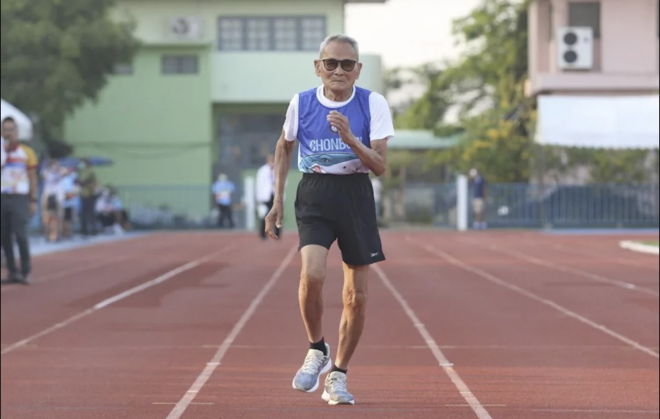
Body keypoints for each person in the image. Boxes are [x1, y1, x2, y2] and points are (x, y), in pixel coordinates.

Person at [264, 34, 395, 406]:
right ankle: (316, 348)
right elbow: (284, 145)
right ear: (318, 67)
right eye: (331, 63)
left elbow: (381, 166)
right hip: (315, 192)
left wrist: (352, 139)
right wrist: (277, 202)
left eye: (347, 64)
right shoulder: (302, 102)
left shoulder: (373, 103)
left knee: (356, 297)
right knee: (313, 275)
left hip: (355, 195)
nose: (339, 70)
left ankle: (337, 374)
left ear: (358, 70)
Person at [1, 117, 39, 284]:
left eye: (11, 129)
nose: (8, 133)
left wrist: (33, 200)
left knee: (20, 234)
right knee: (4, 236)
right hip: (2, 196)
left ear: (16, 131)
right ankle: (12, 271)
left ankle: (26, 271)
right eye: (5, 129)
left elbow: (32, 177)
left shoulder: (26, 152)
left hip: (19, 197)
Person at [256, 154, 279, 240]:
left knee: (277, 216)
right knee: (264, 215)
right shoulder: (262, 171)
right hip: (265, 197)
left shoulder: (278, 169)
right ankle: (263, 234)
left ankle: (277, 234)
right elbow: (259, 185)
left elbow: (284, 182)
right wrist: (258, 197)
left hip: (275, 196)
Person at [76, 159, 98, 237]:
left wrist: (80, 182)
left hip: (89, 194)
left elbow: (86, 181)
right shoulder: (82, 171)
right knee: (84, 214)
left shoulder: (90, 171)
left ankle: (93, 230)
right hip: (83, 194)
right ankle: (84, 230)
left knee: (90, 213)